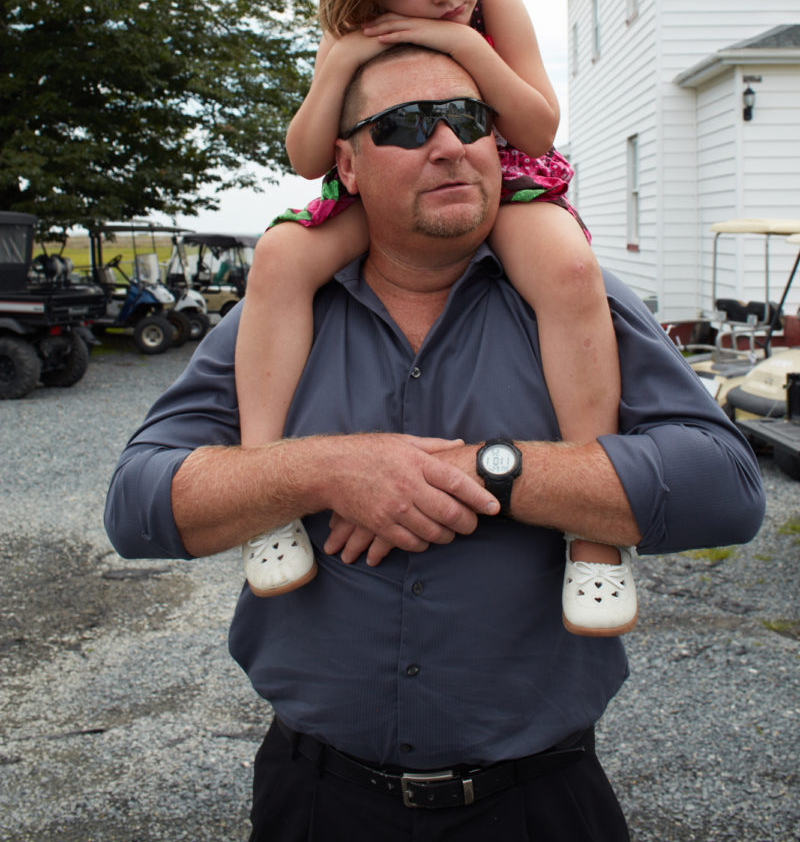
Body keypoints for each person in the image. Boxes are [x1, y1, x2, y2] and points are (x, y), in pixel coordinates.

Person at [105, 43, 766, 842]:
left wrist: (484, 470)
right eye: (407, 125)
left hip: (541, 802)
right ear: (346, 165)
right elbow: (137, 503)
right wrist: (325, 469)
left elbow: (724, 489)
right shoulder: (275, 319)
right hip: (317, 800)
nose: (449, 143)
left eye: (468, 118)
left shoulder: (577, 298)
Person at [236, 0, 632, 636]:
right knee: (279, 256)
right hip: (388, 190)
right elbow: (309, 157)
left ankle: (597, 530)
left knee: (567, 266)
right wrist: (341, 62)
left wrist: (465, 47)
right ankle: (263, 492)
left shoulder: (494, 6)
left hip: (502, 179)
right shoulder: (352, 34)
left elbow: (536, 127)